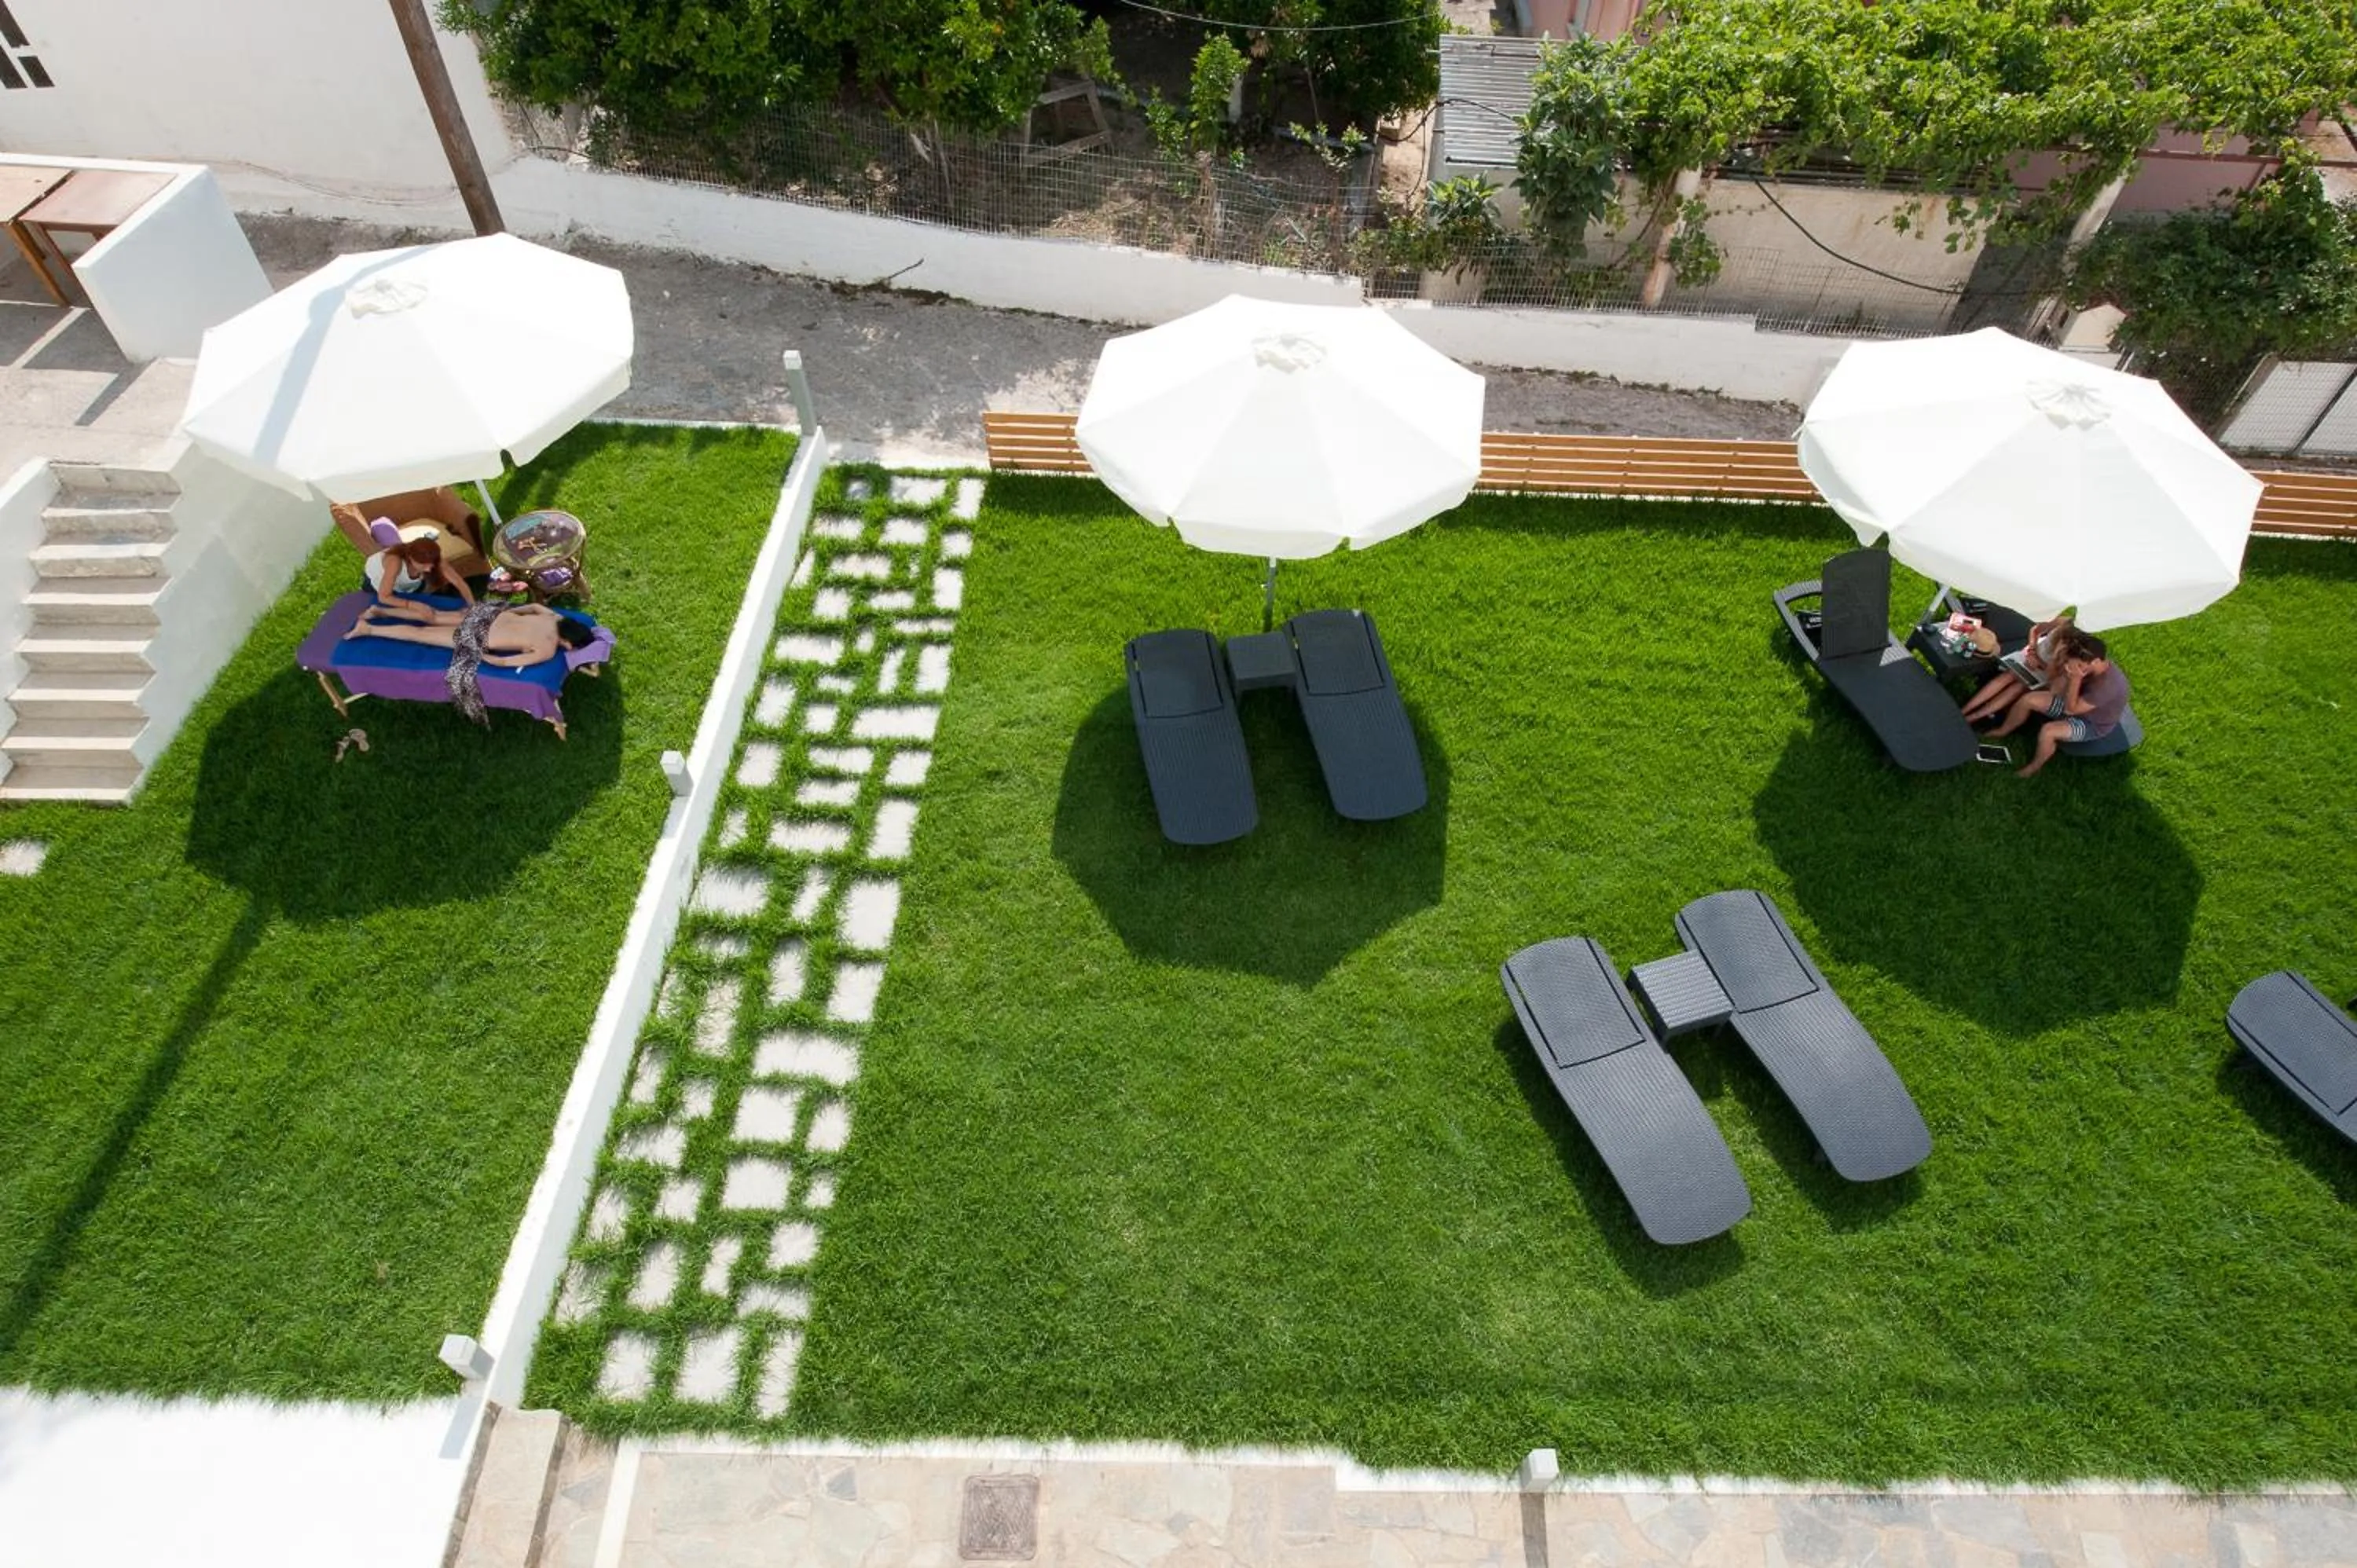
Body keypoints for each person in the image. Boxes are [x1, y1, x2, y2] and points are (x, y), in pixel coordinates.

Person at [346, 600, 595, 725]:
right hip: (478, 636)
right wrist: (487, 657)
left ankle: (380, 612)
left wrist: (515, 613)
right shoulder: (546, 649)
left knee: (433, 617)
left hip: (487, 616)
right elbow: (508, 663)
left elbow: (533, 606)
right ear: (570, 644)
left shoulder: (552, 616)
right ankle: (367, 629)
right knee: (420, 635)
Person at [1984, 630, 2130, 778]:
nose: (2075, 668)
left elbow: (2071, 710)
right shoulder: (2086, 668)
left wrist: (2075, 679)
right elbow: (2055, 691)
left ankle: (2034, 767)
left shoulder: (2108, 686)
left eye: (2079, 665)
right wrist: (2065, 671)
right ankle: (2003, 730)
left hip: (2091, 723)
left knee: (2049, 731)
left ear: (2096, 661)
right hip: (2072, 702)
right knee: (2029, 699)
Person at [1960, 612, 2073, 726]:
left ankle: (1974, 717)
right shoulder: (2060, 622)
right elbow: (2034, 630)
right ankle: (1965, 710)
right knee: (2008, 676)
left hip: (2045, 673)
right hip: (2031, 655)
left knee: (2018, 687)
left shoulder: (2075, 651)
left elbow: (2057, 677)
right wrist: (2032, 652)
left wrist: (2047, 661)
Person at [363, 533, 475, 619]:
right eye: (424, 564)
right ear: (411, 558)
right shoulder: (395, 562)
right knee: (378, 613)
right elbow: (384, 597)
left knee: (417, 613)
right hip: (378, 583)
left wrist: (472, 605)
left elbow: (459, 582)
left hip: (407, 584)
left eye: (431, 563)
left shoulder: (434, 561)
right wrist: (413, 605)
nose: (429, 569)